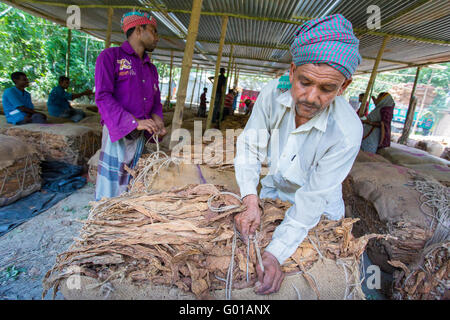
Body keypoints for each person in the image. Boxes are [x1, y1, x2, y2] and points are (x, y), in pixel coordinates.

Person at [234, 14, 362, 295]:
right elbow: (249, 146)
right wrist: (250, 198)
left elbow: (311, 201)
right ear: (292, 71)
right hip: (272, 194)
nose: (311, 97)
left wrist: (276, 254)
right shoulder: (271, 94)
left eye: (327, 88)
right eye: (304, 82)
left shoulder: (346, 130)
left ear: (344, 87)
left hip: (316, 213)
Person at [94, 11, 167, 201]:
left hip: (140, 137)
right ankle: (103, 224)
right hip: (118, 133)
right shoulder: (110, 57)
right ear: (138, 29)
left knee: (134, 184)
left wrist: (157, 119)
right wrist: (134, 122)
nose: (157, 37)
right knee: (111, 189)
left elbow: (155, 101)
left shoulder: (151, 68)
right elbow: (103, 96)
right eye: (154, 31)